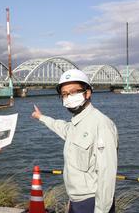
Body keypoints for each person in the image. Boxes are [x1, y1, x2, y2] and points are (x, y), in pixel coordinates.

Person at [31, 69, 118, 213]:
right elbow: (60, 126)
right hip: (75, 201)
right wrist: (41, 117)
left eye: (73, 92)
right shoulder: (75, 124)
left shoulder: (101, 124)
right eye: (64, 94)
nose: (68, 97)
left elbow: (106, 175)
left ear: (87, 93)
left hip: (92, 202)